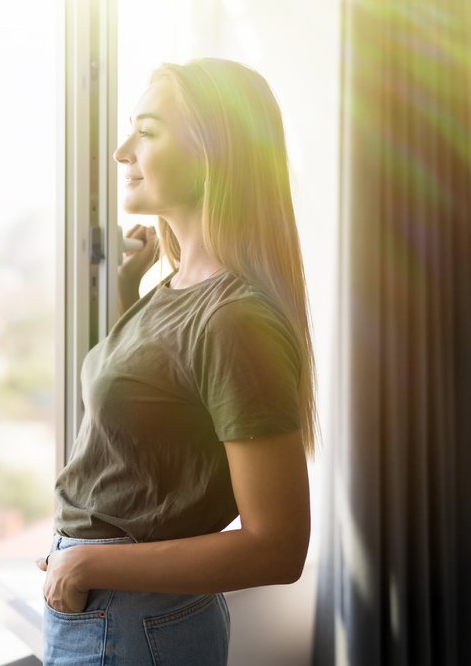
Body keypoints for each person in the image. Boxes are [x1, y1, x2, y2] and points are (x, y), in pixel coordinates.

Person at [35, 57, 316, 665]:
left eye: (147, 131)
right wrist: (127, 287)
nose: (121, 152)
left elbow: (278, 548)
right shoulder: (181, 289)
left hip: (129, 619)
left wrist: (87, 563)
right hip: (120, 614)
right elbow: (152, 408)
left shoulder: (235, 319)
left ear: (214, 153)